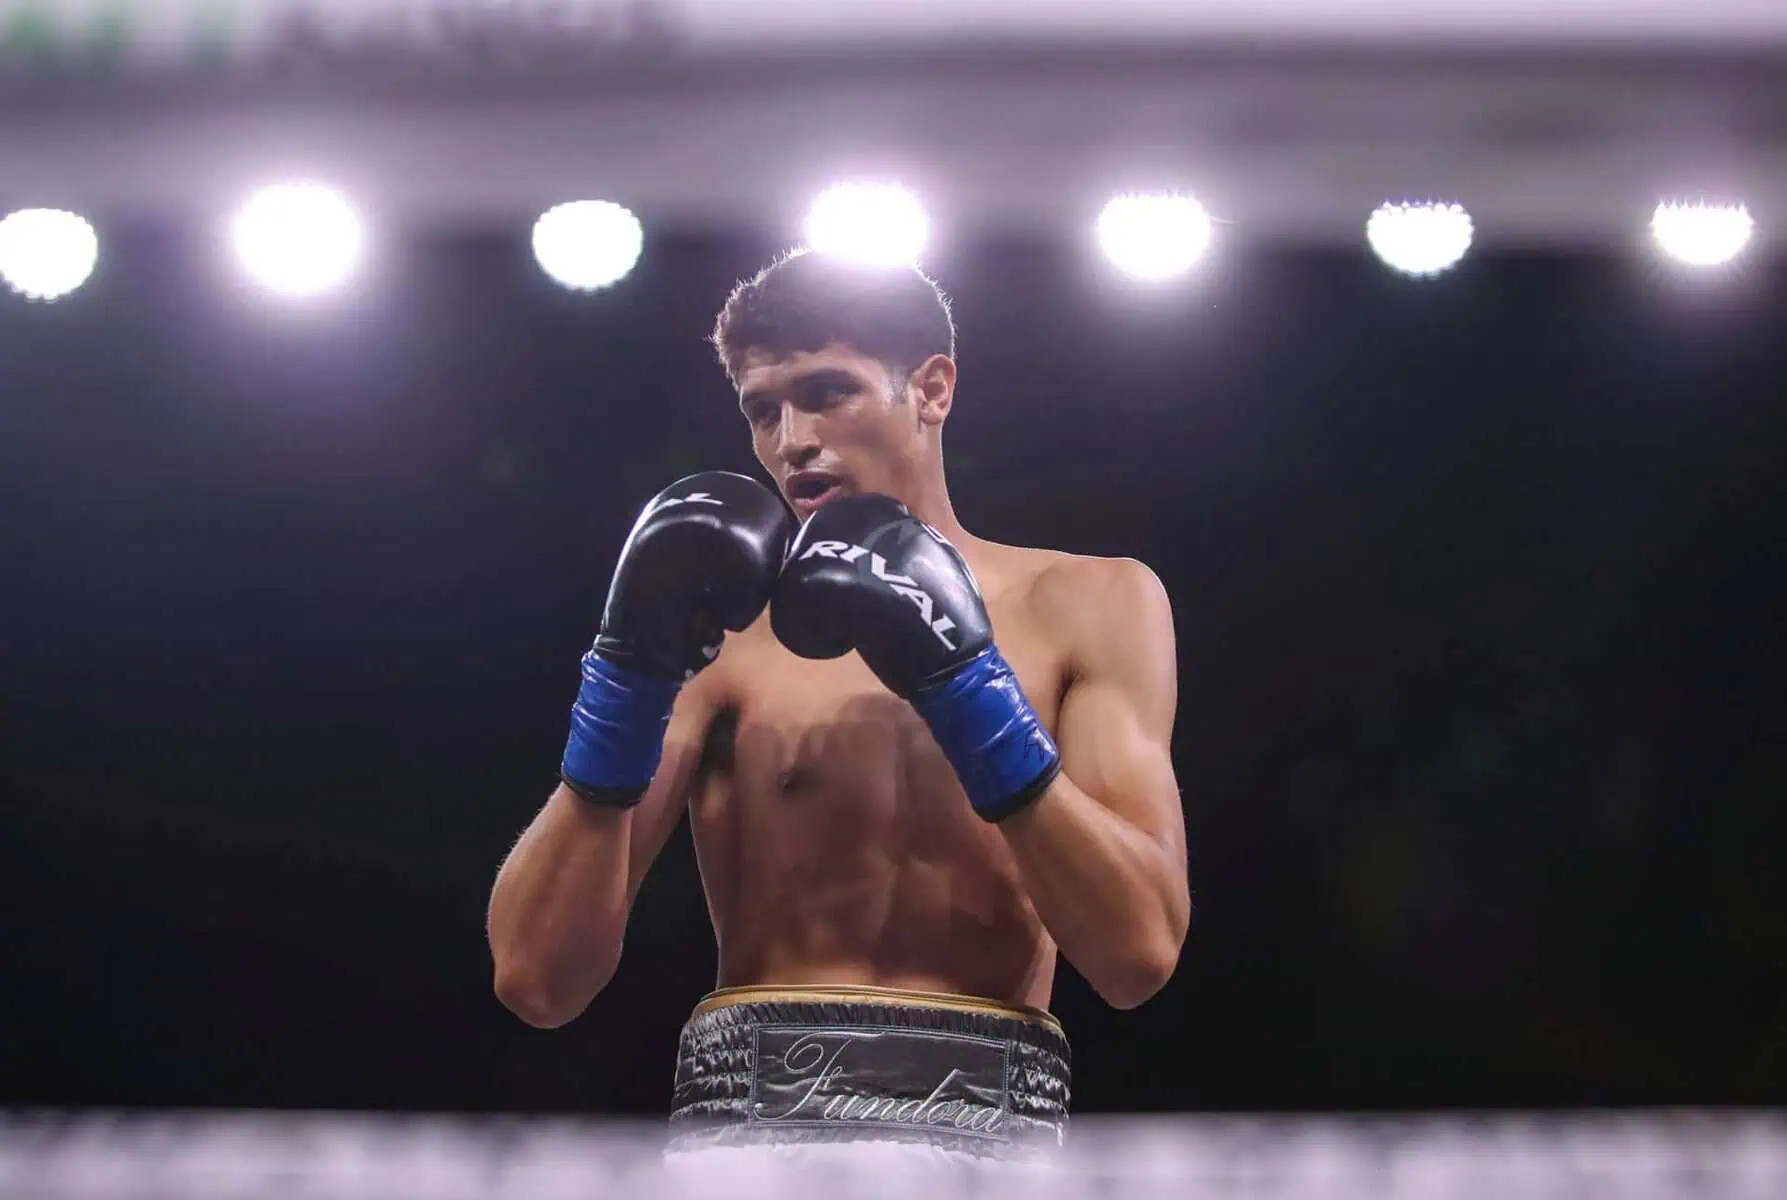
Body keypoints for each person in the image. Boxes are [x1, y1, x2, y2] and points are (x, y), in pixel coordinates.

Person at [487, 250, 1188, 1159]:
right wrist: (624, 682)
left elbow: (1137, 955)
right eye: (762, 409)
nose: (792, 440)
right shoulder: (719, 634)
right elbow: (537, 979)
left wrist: (969, 688)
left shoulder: (1090, 602)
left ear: (932, 388)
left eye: (828, 393)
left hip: (990, 1151)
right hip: (747, 1148)